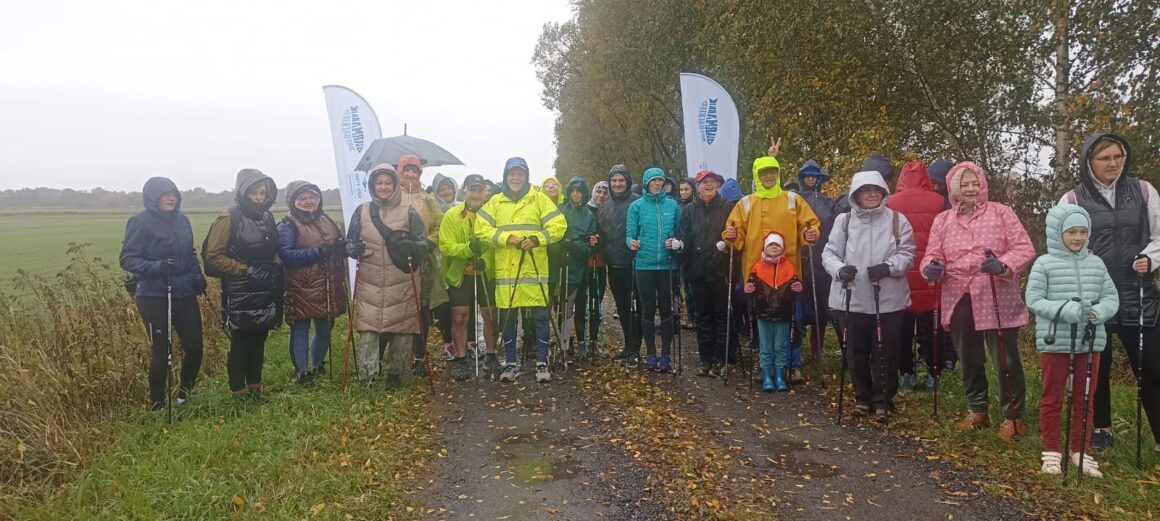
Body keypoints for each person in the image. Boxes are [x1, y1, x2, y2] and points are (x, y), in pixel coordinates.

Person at [1058, 132, 1160, 452]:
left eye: (1118, 156)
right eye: (1105, 158)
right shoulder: (1072, 200)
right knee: (1095, 367)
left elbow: (1159, 237)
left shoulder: (1143, 191)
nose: (1113, 163)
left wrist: (1150, 259)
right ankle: (1100, 430)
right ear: (1089, 162)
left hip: (1138, 291)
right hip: (1095, 295)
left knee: (1153, 364)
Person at [921, 161, 1035, 441]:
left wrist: (1003, 264)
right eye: (964, 184)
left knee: (1004, 358)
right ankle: (978, 410)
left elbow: (1024, 247)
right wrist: (931, 266)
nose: (970, 188)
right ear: (953, 189)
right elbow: (932, 252)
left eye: (975, 183)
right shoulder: (943, 220)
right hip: (958, 293)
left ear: (983, 185)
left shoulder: (1001, 213)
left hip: (996, 291)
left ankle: (1014, 417)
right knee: (968, 356)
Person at [1025, 204, 1118, 477]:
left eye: (1082, 232)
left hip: (1090, 343)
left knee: (1085, 398)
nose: (1078, 237)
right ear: (1058, 233)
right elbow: (1033, 300)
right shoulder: (1044, 263)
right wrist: (1065, 310)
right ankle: (1052, 451)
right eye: (1071, 232)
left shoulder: (1096, 263)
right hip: (1055, 342)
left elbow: (1111, 298)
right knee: (1052, 397)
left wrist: (1097, 312)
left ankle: (1081, 451)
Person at [823, 170, 915, 421]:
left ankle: (883, 400)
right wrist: (840, 270)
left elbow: (908, 253)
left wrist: (889, 267)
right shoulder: (844, 221)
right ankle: (862, 397)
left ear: (884, 192)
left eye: (876, 190)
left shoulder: (897, 220)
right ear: (856, 195)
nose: (872, 194)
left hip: (888, 299)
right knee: (855, 352)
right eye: (866, 190)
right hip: (850, 298)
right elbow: (829, 254)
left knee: (887, 351)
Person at [724, 152, 820, 375]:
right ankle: (765, 364)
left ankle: (792, 364)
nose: (768, 176)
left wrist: (811, 234)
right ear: (757, 175)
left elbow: (810, 224)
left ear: (778, 174)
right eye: (764, 172)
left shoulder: (792, 199)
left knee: (792, 321)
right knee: (760, 321)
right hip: (757, 274)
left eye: (772, 172)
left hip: (788, 272)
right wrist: (730, 235)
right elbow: (735, 234)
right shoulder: (746, 203)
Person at [476, 157, 567, 383]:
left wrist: (538, 239)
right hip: (507, 272)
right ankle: (511, 364)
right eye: (512, 174)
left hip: (534, 269)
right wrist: (506, 238)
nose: (516, 178)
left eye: (520, 174)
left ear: (526, 176)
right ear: (506, 176)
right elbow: (481, 229)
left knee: (541, 317)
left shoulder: (539, 199)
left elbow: (559, 225)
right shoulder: (495, 202)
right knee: (508, 319)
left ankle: (542, 363)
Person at [120, 177, 207, 411]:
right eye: (165, 194)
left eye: (174, 194)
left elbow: (189, 253)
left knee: (196, 347)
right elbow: (127, 259)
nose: (171, 198)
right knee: (162, 351)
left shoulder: (182, 220)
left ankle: (183, 396)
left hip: (185, 292)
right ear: (152, 198)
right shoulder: (140, 222)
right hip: (154, 295)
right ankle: (158, 405)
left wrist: (198, 276)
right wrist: (159, 266)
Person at [345, 164, 430, 388]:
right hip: (370, 282)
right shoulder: (362, 211)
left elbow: (424, 243)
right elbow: (349, 242)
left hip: (401, 280)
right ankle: (367, 378)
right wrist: (354, 249)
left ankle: (395, 377)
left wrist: (411, 245)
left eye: (387, 183)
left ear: (394, 185)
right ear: (372, 186)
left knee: (402, 331)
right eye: (379, 183)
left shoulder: (409, 210)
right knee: (369, 332)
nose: (383, 187)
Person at [204, 169, 283, 402]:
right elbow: (214, 256)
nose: (259, 197)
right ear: (242, 192)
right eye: (254, 192)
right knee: (241, 343)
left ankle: (255, 391)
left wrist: (275, 265)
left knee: (259, 341)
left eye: (263, 193)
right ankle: (238, 394)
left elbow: (274, 249)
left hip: (265, 286)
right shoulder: (228, 218)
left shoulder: (267, 217)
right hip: (240, 289)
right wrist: (244, 270)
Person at [886, 161, 950, 393]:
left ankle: (906, 374)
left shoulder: (891, 202)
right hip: (930, 274)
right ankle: (935, 374)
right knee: (932, 329)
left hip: (902, 274)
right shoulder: (939, 201)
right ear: (926, 177)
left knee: (902, 329)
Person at [277, 181, 347, 385]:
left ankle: (316, 365)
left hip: (327, 283)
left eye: (312, 197)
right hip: (301, 285)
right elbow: (286, 255)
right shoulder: (287, 225)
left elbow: (337, 242)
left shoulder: (326, 219)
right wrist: (318, 253)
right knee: (301, 328)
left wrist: (341, 247)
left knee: (326, 325)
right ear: (293, 202)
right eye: (303, 199)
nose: (309, 202)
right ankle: (302, 372)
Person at [438, 174, 499, 380]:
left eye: (479, 190)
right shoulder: (452, 215)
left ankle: (491, 356)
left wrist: (487, 261)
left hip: (484, 273)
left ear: (484, 192)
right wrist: (467, 249)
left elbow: (495, 243)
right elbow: (445, 245)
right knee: (459, 316)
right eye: (471, 190)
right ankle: (462, 358)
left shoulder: (491, 214)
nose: (475, 194)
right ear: (464, 191)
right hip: (461, 274)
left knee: (490, 315)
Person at [676, 170, 735, 376]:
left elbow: (736, 232)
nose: (709, 185)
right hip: (697, 269)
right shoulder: (689, 211)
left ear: (718, 185)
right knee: (702, 316)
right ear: (697, 186)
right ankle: (705, 359)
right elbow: (684, 236)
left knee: (721, 316)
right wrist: (679, 245)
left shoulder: (727, 207)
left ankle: (721, 359)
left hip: (720, 270)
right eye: (705, 182)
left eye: (713, 182)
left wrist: (728, 241)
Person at [396, 155, 451, 375]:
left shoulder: (428, 199)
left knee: (422, 309)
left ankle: (420, 355)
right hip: (396, 259)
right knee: (399, 308)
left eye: (415, 171)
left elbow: (440, 225)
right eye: (407, 170)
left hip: (423, 261)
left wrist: (428, 242)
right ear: (400, 171)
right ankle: (399, 355)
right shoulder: (391, 196)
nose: (410, 174)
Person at [628, 167, 681, 372]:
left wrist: (676, 242)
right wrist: (631, 243)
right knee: (648, 309)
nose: (658, 184)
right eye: (654, 181)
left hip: (667, 264)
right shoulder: (637, 206)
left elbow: (678, 232)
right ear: (647, 183)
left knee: (667, 309)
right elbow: (630, 233)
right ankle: (651, 354)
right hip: (644, 264)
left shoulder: (673, 205)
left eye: (660, 180)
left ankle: (666, 355)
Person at [745, 231, 804, 391]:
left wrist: (797, 287)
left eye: (777, 245)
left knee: (780, 346)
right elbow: (752, 284)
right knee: (765, 346)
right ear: (765, 247)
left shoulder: (789, 267)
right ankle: (766, 376)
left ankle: (779, 375)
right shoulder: (757, 267)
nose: (773, 247)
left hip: (783, 313)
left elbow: (795, 284)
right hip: (763, 313)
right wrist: (749, 288)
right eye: (770, 244)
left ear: (783, 248)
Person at [597, 164, 643, 365]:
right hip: (613, 266)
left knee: (636, 309)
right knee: (623, 309)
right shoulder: (604, 205)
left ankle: (636, 349)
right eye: (614, 181)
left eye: (621, 180)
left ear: (627, 182)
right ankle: (628, 345)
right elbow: (601, 233)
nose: (617, 184)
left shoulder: (637, 202)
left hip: (634, 265)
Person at [550, 176, 596, 358]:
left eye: (579, 191)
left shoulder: (589, 216)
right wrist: (561, 245)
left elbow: (590, 245)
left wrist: (575, 245)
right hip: (559, 264)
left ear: (584, 194)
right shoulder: (560, 210)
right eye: (573, 191)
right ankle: (563, 338)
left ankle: (577, 339)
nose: (576, 194)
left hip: (578, 266)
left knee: (575, 304)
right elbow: (552, 234)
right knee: (561, 306)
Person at [796, 159, 835, 365]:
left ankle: (816, 350)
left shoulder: (828, 202)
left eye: (814, 176)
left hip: (822, 260)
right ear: (802, 178)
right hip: (799, 258)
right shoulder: (794, 199)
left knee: (821, 305)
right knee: (799, 305)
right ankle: (796, 351)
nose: (811, 179)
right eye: (807, 176)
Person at [584, 180, 610, 351]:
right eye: (598, 192)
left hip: (601, 262)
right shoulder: (585, 210)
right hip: (584, 262)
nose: (601, 195)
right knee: (582, 301)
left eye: (604, 193)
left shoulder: (609, 210)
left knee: (596, 300)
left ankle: (593, 338)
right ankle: (577, 339)